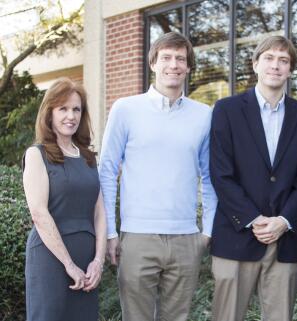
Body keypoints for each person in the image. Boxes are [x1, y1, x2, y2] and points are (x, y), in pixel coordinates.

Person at [99, 31, 217, 321]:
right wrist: (111, 233)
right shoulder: (125, 109)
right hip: (137, 237)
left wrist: (208, 231)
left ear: (188, 66)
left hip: (187, 238)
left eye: (180, 58)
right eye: (166, 57)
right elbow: (107, 171)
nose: (173, 64)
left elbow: (211, 175)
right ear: (153, 63)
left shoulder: (204, 115)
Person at [209, 35, 297, 321]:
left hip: (284, 239)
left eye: (284, 60)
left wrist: (283, 221)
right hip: (236, 234)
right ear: (255, 64)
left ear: (290, 70)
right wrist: (254, 219)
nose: (276, 65)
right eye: (269, 58)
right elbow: (221, 174)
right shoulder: (226, 110)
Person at [23, 78, 107, 321]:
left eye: (76, 109)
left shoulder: (88, 157)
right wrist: (69, 264)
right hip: (51, 260)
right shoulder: (37, 155)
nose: (71, 115)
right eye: (63, 109)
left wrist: (98, 262)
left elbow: (99, 213)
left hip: (87, 260)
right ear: (49, 112)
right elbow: (39, 213)